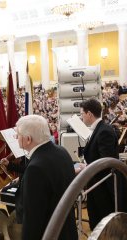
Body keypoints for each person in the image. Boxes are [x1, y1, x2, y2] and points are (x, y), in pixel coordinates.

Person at [14, 115, 77, 240]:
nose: (16, 137)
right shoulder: (62, 151)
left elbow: (33, 219)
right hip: (67, 230)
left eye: (18, 134)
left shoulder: (35, 168)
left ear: (28, 139)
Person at [80, 98, 123, 230]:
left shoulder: (104, 131)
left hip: (103, 187)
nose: (81, 117)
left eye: (82, 114)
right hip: (97, 184)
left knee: (103, 227)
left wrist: (87, 167)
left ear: (89, 114)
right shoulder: (99, 128)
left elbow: (106, 162)